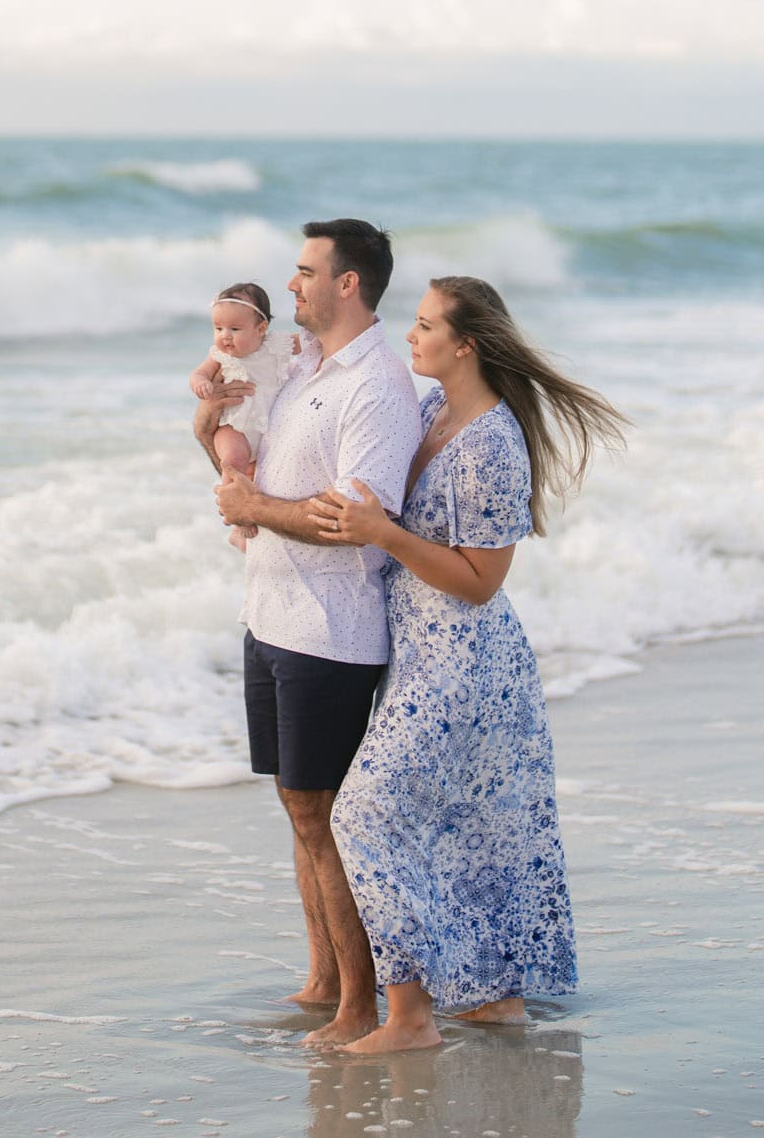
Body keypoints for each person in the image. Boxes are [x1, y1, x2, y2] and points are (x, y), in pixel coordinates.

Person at [310, 275, 627, 1053]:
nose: (410, 338)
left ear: (466, 344)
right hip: (421, 656)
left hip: (465, 663)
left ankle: (411, 1018)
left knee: (362, 812)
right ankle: (490, 1001)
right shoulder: (432, 411)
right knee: (467, 831)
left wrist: (381, 533)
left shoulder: (492, 443)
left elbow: (483, 583)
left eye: (424, 327)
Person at [198, 220, 423, 1047]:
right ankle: (325, 977)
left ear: (348, 284)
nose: (288, 287)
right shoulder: (298, 369)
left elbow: (359, 519)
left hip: (331, 630)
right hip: (270, 610)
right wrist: (212, 439)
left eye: (303, 273)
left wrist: (253, 507)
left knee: (322, 811)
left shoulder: (378, 388)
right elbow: (249, 472)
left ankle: (363, 1006)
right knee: (298, 808)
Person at [188, 281, 299, 551]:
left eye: (234, 329)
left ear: (261, 329)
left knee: (260, 475)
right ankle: (238, 520)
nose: (224, 336)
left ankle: (253, 521)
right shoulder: (220, 355)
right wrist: (201, 384)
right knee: (233, 461)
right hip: (234, 424)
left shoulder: (276, 345)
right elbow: (199, 373)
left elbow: (312, 343)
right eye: (218, 328)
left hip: (265, 426)